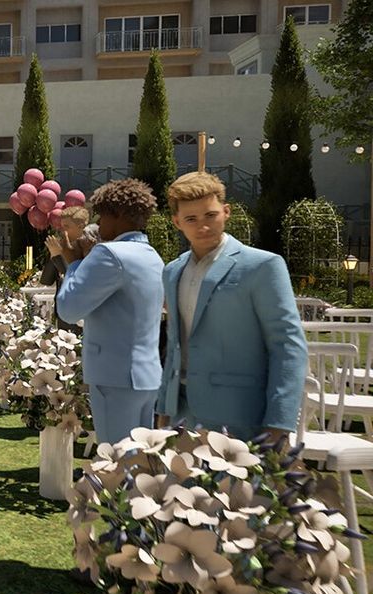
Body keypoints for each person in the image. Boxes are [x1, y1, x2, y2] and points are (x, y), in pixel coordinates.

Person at [156, 172, 307, 441]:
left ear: (226, 212)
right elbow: (176, 343)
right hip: (180, 413)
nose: (202, 226)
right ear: (177, 222)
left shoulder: (263, 266)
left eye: (210, 215)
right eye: (191, 219)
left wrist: (279, 422)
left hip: (240, 416)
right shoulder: (172, 271)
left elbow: (287, 345)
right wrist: (164, 410)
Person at [55, 178, 164, 445]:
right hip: (147, 377)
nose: (99, 225)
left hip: (114, 379)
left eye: (102, 216)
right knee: (140, 463)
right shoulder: (152, 255)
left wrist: (73, 264)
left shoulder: (109, 254)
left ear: (117, 215)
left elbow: (68, 309)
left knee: (118, 466)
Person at [42, 206, 98, 331]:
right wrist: (52, 255)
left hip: (83, 315)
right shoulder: (60, 247)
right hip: (63, 314)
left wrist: (57, 257)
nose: (63, 231)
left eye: (66, 226)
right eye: (62, 226)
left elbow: (78, 282)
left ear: (81, 226)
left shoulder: (92, 248)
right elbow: (46, 280)